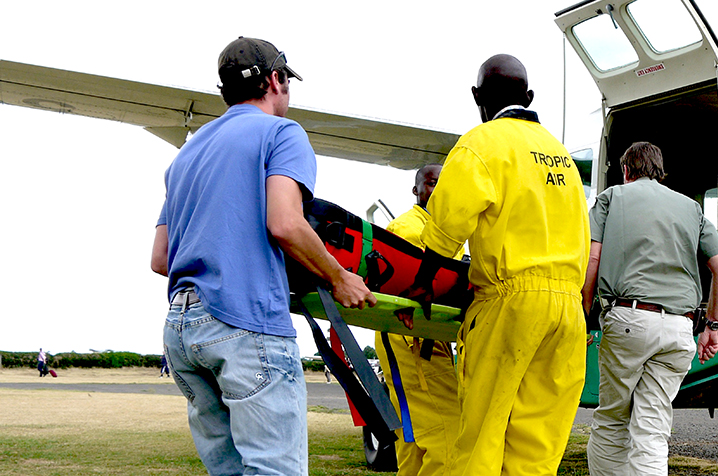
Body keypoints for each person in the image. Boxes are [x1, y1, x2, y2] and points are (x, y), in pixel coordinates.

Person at [150, 36, 375, 476]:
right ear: (276, 79)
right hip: (244, 322)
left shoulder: (186, 155)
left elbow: (161, 259)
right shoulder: (281, 133)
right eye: (287, 80)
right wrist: (340, 277)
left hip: (181, 331)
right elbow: (286, 223)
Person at [420, 54, 590, 476]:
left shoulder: (482, 143)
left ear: (477, 97)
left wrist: (422, 290)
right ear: (529, 96)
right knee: (536, 453)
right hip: (568, 313)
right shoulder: (562, 156)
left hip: (509, 304)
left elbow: (443, 233)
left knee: (480, 440)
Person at [582, 142, 718, 475]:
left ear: (626, 171)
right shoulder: (691, 208)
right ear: (659, 172)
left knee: (612, 419)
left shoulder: (611, 198)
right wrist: (712, 325)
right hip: (679, 330)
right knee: (651, 429)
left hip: (629, 320)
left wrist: (584, 313)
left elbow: (593, 257)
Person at [374, 164, 462, 476]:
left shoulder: (443, 232)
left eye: (445, 184)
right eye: (431, 183)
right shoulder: (412, 229)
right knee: (446, 432)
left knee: (413, 441)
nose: (438, 190)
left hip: (422, 334)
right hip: (410, 336)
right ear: (416, 190)